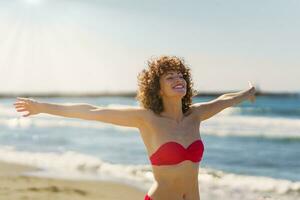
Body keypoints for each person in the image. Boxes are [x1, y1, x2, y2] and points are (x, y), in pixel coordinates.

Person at [14, 55, 256, 200]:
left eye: (180, 76)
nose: (178, 79)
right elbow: (92, 112)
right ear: (157, 88)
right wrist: (41, 107)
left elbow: (224, 100)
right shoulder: (147, 119)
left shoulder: (196, 115)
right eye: (170, 77)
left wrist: (247, 93)